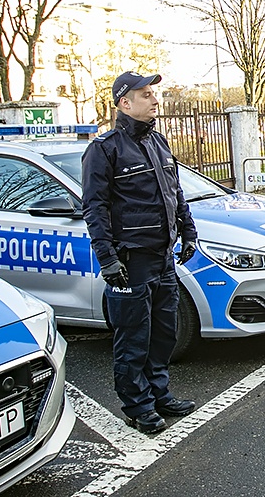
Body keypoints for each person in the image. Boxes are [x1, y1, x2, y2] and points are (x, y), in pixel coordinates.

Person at [82, 71, 197, 435]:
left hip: (163, 258)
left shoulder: (159, 142)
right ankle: (138, 405)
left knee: (163, 332)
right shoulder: (105, 149)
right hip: (131, 262)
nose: (155, 99)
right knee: (133, 336)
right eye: (146, 94)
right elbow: (94, 208)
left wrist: (189, 231)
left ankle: (159, 393)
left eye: (155, 93)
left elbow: (175, 193)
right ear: (124, 102)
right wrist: (107, 258)